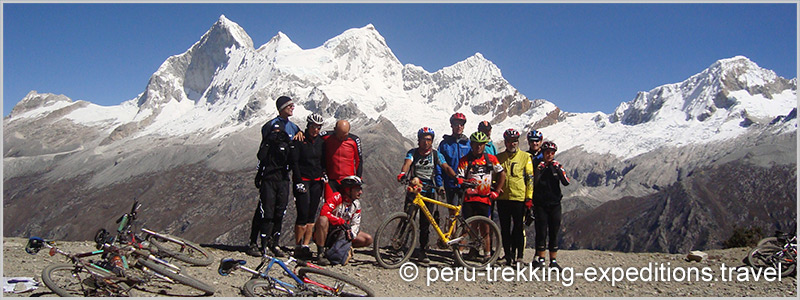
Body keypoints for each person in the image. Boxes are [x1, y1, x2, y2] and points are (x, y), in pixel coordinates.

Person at [396, 127, 458, 264]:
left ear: (432, 141)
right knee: (407, 219)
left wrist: (455, 177)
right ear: (418, 140)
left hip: (429, 191)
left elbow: (446, 167)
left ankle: (423, 251)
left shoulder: (436, 155)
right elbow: (407, 164)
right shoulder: (413, 153)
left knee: (425, 223)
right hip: (414, 190)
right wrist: (402, 173)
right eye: (423, 139)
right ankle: (401, 248)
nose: (426, 142)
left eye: (429, 140)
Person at [249, 120, 301, 258]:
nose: (277, 135)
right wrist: (268, 142)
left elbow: (294, 161)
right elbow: (261, 158)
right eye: (274, 132)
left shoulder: (287, 144)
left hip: (283, 180)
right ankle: (260, 243)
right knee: (266, 212)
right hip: (269, 179)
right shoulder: (268, 144)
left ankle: (274, 243)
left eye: (279, 132)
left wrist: (290, 144)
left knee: (279, 212)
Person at [456, 131, 506, 259]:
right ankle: (461, 254)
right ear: (471, 145)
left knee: (485, 228)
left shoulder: (491, 159)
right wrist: (464, 184)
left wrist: (496, 191)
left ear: (485, 145)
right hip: (469, 199)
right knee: (467, 227)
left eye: (481, 144)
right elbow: (459, 178)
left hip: (485, 199)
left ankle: (487, 255)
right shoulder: (465, 160)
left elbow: (502, 174)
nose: (478, 147)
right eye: (476, 144)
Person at [313, 175, 373, 266]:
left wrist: (351, 234)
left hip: (344, 233)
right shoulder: (336, 197)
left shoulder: (356, 204)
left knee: (367, 239)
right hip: (329, 231)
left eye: (360, 189)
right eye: (357, 189)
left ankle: (343, 248)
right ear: (348, 190)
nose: (360, 192)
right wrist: (341, 222)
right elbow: (324, 213)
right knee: (322, 220)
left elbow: (356, 223)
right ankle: (320, 254)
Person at [495, 128, 533, 266]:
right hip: (503, 198)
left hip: (519, 197)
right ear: (505, 142)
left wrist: (529, 198)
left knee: (518, 228)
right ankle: (507, 255)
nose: (512, 144)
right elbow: (494, 177)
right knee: (504, 228)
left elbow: (530, 178)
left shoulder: (525, 157)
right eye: (510, 141)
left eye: (515, 141)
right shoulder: (498, 158)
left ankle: (520, 257)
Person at [290, 113, 326, 259]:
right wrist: (298, 181)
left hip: (317, 181)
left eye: (318, 128)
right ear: (308, 126)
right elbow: (295, 162)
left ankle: (305, 245)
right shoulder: (300, 140)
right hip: (303, 180)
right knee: (302, 213)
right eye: (313, 127)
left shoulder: (321, 142)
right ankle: (298, 246)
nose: (315, 130)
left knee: (312, 214)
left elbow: (322, 160)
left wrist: (324, 173)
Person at [531, 141, 570, 270]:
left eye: (551, 153)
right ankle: (540, 259)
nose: (549, 155)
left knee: (554, 230)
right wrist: (538, 170)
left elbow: (566, 182)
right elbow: (534, 183)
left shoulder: (557, 166)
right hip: (541, 203)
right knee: (541, 231)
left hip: (555, 204)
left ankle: (553, 260)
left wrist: (559, 169)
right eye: (547, 153)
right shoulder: (538, 165)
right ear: (542, 153)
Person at [436, 113, 471, 219]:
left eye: (461, 124)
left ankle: (464, 235)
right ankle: (452, 236)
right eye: (456, 124)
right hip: (451, 185)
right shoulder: (444, 144)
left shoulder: (468, 144)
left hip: (466, 185)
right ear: (451, 125)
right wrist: (439, 184)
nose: (459, 126)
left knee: (468, 215)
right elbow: (439, 165)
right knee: (452, 215)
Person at [322, 120, 363, 192]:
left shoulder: (354, 140)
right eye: (340, 135)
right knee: (331, 202)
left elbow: (358, 160)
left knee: (347, 202)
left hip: (349, 180)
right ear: (335, 130)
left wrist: (358, 177)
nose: (341, 139)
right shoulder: (326, 137)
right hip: (331, 180)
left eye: (344, 136)